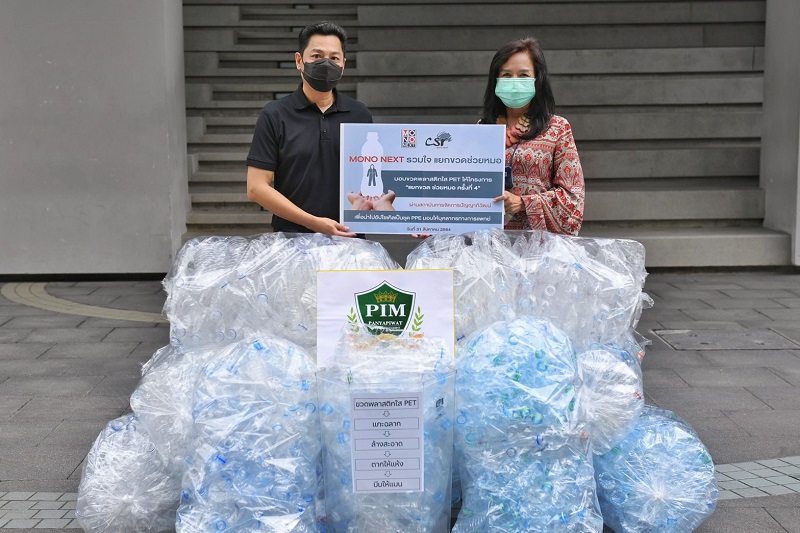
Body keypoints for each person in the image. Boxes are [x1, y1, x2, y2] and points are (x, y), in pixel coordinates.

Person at [246, 21, 373, 236]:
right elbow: (256, 188)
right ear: (299, 61)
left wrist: (413, 220)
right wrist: (313, 223)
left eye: (334, 58)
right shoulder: (275, 115)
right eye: (316, 56)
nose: (326, 63)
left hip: (350, 239)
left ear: (343, 64)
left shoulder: (360, 115)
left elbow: (375, 177)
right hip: (292, 241)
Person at [482, 38, 585, 235]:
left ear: (538, 79)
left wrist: (524, 203)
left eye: (523, 75)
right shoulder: (481, 130)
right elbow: (463, 187)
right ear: (496, 80)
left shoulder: (557, 129)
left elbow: (574, 199)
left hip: (538, 247)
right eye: (506, 75)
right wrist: (431, 218)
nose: (514, 82)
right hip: (490, 245)